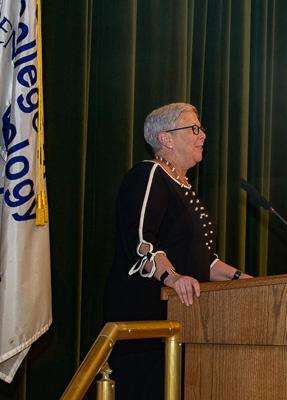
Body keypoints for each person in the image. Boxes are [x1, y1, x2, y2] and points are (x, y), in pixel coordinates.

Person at [104, 102, 251, 399]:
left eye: (201, 128)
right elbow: (141, 240)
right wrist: (172, 277)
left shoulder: (183, 186)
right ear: (165, 139)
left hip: (183, 322)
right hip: (148, 325)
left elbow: (204, 261)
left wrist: (243, 281)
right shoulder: (149, 174)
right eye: (194, 128)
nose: (203, 135)